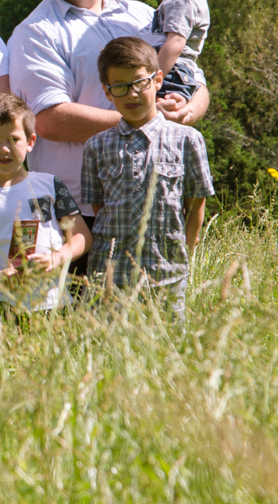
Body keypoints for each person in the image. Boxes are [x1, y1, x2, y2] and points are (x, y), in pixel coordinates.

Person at [6, 0, 210, 208]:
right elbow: (49, 119)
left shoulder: (144, 14)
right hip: (82, 210)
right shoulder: (35, 33)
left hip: (158, 202)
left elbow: (195, 79)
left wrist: (186, 111)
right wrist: (148, 120)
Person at [78, 36, 215, 313]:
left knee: (166, 339)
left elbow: (196, 206)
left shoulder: (188, 140)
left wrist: (184, 255)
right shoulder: (96, 146)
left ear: (158, 79)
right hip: (108, 277)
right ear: (107, 92)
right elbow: (99, 208)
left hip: (166, 275)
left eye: (140, 83)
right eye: (119, 87)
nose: (131, 94)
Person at [0, 92, 89, 316]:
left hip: (55, 303)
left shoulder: (50, 185)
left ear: (30, 142)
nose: (4, 149)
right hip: (3, 307)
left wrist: (56, 258)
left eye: (13, 139)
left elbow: (81, 236)